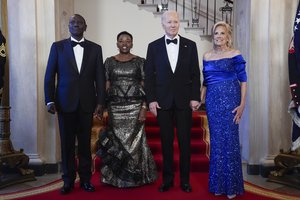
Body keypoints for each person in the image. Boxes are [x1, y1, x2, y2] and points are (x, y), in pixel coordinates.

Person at [44, 14, 105, 194]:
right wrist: (49, 99)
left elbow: (100, 78)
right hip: (64, 103)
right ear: (68, 27)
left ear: (85, 26)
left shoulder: (95, 48)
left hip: (87, 104)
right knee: (67, 144)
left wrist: (101, 101)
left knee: (85, 144)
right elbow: (50, 75)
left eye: (79, 23)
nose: (76, 25)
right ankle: (68, 180)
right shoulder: (58, 47)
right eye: (73, 22)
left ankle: (86, 179)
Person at [144, 10, 201, 193]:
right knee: (166, 143)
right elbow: (149, 77)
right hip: (162, 102)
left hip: (185, 101)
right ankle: (167, 180)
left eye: (175, 22)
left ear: (179, 24)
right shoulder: (153, 46)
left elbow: (195, 74)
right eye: (169, 22)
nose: (173, 25)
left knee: (185, 143)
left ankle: (185, 181)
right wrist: (151, 100)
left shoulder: (190, 45)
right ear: (163, 24)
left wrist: (195, 97)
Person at [97, 31, 158, 187]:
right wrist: (103, 105)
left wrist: (144, 107)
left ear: (132, 43)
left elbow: (145, 84)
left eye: (128, 40)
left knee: (135, 143)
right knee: (117, 141)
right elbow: (106, 84)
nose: (124, 43)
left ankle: (135, 177)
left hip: (135, 106)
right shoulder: (109, 62)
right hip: (115, 107)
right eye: (121, 40)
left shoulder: (140, 61)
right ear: (117, 43)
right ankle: (116, 178)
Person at [201, 21, 247, 199]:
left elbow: (243, 80)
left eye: (222, 33)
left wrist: (242, 104)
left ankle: (232, 186)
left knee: (230, 141)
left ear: (228, 36)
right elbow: (205, 81)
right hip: (213, 101)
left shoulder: (235, 54)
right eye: (216, 34)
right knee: (217, 141)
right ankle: (218, 184)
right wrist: (200, 99)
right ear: (213, 37)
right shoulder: (206, 56)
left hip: (231, 99)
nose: (219, 36)